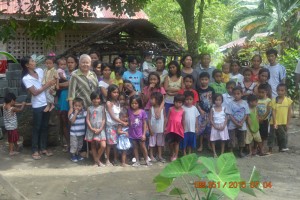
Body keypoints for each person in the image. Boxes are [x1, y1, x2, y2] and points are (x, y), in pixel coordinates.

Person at [21, 56, 56, 160]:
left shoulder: (40, 71)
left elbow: (50, 75)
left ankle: (43, 148)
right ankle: (35, 150)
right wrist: (47, 85)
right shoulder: (26, 78)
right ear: (27, 65)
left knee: (45, 126)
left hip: (47, 103)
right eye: (32, 61)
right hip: (37, 105)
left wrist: (52, 84)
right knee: (37, 127)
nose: (34, 62)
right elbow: (35, 93)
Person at [58, 55, 78, 152]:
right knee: (64, 121)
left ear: (76, 63)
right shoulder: (62, 72)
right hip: (63, 98)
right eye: (68, 62)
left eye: (72, 62)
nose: (70, 64)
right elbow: (56, 84)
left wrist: (60, 85)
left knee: (74, 121)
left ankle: (76, 144)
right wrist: (63, 85)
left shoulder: (78, 73)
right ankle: (69, 143)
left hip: (74, 99)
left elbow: (70, 84)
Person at [105, 85, 128, 166]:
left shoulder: (117, 102)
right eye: (114, 92)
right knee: (109, 144)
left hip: (117, 125)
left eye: (117, 92)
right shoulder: (109, 103)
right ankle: (107, 160)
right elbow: (112, 116)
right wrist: (122, 122)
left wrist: (121, 122)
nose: (116, 94)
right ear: (110, 93)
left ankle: (115, 158)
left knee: (115, 144)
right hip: (110, 126)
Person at [226, 86, 250, 158]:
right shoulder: (230, 103)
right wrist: (236, 123)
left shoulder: (245, 103)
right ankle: (231, 152)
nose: (236, 95)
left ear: (242, 94)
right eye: (235, 94)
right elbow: (229, 114)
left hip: (242, 124)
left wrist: (242, 122)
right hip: (232, 124)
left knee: (242, 138)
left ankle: (241, 152)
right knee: (232, 138)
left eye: (238, 93)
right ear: (232, 95)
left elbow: (246, 113)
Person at [268, 84, 292, 153]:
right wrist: (275, 122)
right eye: (278, 90)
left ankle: (282, 147)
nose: (280, 92)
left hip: (283, 122)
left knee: (283, 135)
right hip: (274, 122)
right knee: (272, 136)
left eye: (282, 90)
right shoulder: (273, 100)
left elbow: (289, 113)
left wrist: (288, 123)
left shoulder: (288, 101)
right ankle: (270, 149)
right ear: (276, 91)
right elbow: (273, 112)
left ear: (285, 91)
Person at [128, 95, 151, 166]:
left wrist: (144, 134)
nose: (134, 105)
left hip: (140, 133)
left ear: (139, 104)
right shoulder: (129, 111)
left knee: (143, 147)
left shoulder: (142, 112)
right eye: (132, 103)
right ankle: (137, 161)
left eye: (136, 103)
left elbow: (144, 123)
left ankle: (146, 160)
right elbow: (128, 120)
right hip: (132, 133)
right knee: (135, 147)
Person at [85, 92, 106, 167]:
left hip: (100, 129)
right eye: (94, 99)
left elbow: (103, 119)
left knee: (103, 145)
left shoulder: (102, 108)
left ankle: (97, 159)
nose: (96, 100)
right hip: (91, 129)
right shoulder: (89, 108)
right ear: (91, 99)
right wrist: (91, 128)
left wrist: (100, 129)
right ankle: (96, 162)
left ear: (100, 99)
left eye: (98, 98)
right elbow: (87, 119)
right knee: (93, 145)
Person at [196, 72, 215, 152]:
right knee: (201, 130)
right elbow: (196, 102)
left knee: (209, 129)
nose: (204, 81)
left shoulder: (211, 89)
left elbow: (213, 101)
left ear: (209, 80)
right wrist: (200, 110)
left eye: (206, 79)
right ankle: (201, 145)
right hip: (201, 113)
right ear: (200, 80)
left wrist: (212, 111)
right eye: (202, 79)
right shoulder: (198, 90)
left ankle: (209, 144)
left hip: (210, 112)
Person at [165, 94, 185, 161]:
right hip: (170, 128)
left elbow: (183, 120)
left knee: (176, 143)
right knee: (170, 142)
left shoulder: (183, 111)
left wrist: (183, 128)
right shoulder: (171, 109)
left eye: (180, 102)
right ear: (174, 102)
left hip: (178, 129)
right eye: (176, 102)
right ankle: (172, 153)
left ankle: (176, 155)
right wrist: (165, 126)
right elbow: (167, 118)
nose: (178, 104)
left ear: (182, 103)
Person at [180, 91, 200, 155]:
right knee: (184, 141)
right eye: (187, 99)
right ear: (184, 100)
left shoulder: (194, 108)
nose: (188, 101)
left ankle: (189, 152)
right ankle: (184, 152)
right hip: (184, 129)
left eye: (190, 99)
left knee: (191, 141)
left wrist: (196, 127)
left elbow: (196, 118)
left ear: (193, 100)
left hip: (192, 128)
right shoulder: (182, 108)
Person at [148, 92, 166, 162]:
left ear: (158, 100)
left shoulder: (163, 109)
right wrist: (150, 129)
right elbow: (149, 120)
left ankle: (160, 156)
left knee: (160, 143)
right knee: (151, 143)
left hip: (160, 130)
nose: (150, 100)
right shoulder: (151, 109)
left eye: (152, 99)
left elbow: (165, 118)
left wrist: (164, 128)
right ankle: (151, 155)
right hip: (153, 130)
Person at [209, 93, 229, 158]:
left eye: (219, 100)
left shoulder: (224, 108)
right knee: (213, 139)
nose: (218, 101)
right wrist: (215, 126)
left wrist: (224, 126)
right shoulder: (212, 109)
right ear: (214, 101)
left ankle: (222, 153)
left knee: (223, 140)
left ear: (222, 100)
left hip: (223, 126)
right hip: (215, 126)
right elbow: (211, 119)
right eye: (216, 100)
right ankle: (214, 153)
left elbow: (226, 118)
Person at [69, 98, 86, 162]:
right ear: (73, 106)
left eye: (79, 106)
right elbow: (72, 121)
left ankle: (78, 154)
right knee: (74, 145)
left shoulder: (84, 113)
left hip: (81, 133)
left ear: (82, 106)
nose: (77, 107)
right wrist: (75, 114)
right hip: (74, 133)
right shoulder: (72, 114)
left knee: (80, 145)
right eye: (76, 106)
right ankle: (73, 155)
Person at [257, 84, 272, 152]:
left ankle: (262, 147)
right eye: (259, 92)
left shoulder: (268, 101)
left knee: (264, 135)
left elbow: (268, 111)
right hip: (257, 120)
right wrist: (258, 118)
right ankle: (257, 147)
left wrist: (262, 118)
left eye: (262, 92)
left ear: (266, 92)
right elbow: (255, 110)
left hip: (264, 120)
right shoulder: (256, 100)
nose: (261, 94)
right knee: (258, 133)